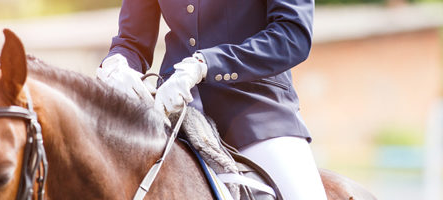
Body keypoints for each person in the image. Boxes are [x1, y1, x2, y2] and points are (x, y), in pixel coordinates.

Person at [96, 0, 327, 199]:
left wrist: (207, 65)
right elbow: (131, 41)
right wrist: (116, 64)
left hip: (256, 112)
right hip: (172, 111)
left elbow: (292, 35)